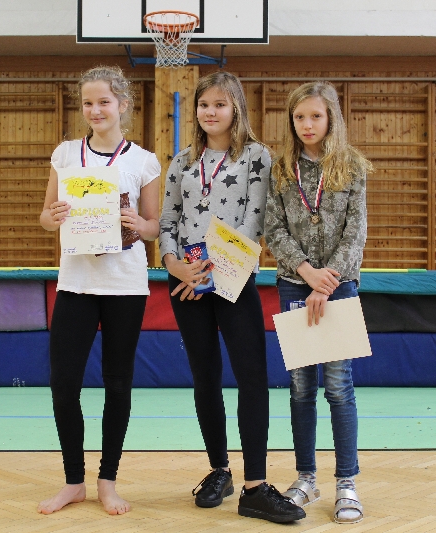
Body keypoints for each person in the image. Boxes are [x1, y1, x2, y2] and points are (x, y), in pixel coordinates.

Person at [159, 71, 305, 524]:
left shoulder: (257, 156)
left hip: (233, 280)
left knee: (252, 378)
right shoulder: (182, 160)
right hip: (186, 283)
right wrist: (175, 265)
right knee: (205, 376)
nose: (210, 112)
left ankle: (255, 486)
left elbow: (253, 220)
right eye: (204, 104)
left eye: (220, 104)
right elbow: (167, 221)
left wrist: (210, 269)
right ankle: (219, 470)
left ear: (236, 108)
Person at [37, 65, 160, 516]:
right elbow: (45, 217)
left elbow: (154, 226)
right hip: (76, 283)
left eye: (104, 102)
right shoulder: (66, 154)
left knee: (118, 382)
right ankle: (74, 481)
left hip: (125, 285)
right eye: (88, 102)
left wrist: (139, 224)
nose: (95, 110)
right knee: (63, 384)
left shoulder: (143, 161)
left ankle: (108, 481)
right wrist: (54, 216)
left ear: (122, 104)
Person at [264, 81, 373, 524]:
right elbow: (273, 228)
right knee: (301, 388)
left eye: (316, 116)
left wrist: (326, 283)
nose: (307, 124)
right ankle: (306, 477)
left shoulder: (352, 167)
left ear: (331, 119)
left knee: (339, 387)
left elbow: (356, 232)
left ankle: (346, 482)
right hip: (295, 286)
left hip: (339, 287)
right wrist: (306, 272)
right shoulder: (280, 169)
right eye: (299, 117)